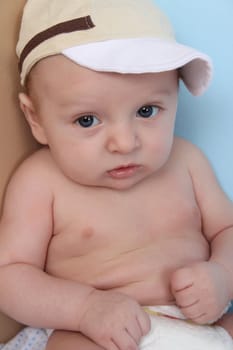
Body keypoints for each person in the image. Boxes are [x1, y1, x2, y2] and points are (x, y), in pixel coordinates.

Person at [0, 0, 233, 349]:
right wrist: (84, 309)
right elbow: (10, 275)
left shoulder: (187, 162)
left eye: (146, 110)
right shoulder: (40, 182)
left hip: (206, 324)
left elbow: (227, 230)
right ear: (35, 119)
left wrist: (223, 275)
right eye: (87, 120)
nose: (125, 143)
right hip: (96, 333)